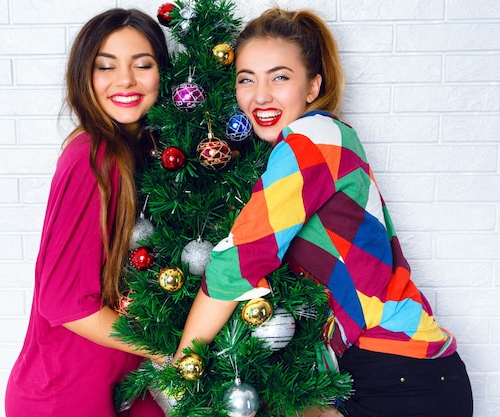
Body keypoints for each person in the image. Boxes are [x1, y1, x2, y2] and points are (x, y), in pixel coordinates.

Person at [174, 7, 473, 417]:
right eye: (247, 79)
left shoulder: (310, 140)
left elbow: (241, 258)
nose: (260, 95)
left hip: (399, 377)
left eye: (280, 77)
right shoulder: (329, 137)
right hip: (394, 371)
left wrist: (184, 362)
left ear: (313, 86)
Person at [5, 8, 170, 417]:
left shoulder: (143, 156)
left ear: (162, 74)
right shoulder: (93, 157)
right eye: (106, 66)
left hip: (120, 385)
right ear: (85, 77)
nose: (126, 80)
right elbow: (64, 303)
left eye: (143, 65)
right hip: (66, 395)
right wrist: (166, 350)